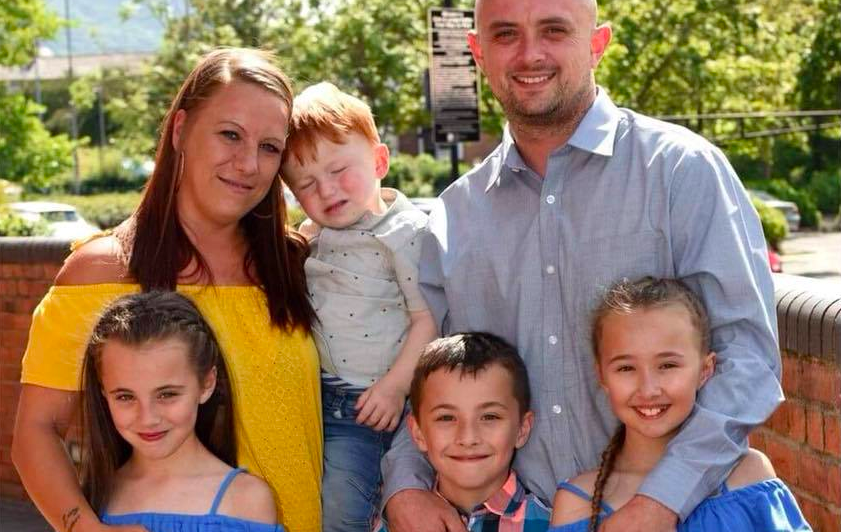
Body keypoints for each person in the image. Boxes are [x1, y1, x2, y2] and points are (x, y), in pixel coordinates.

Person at [382, 1, 782, 531]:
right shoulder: (455, 217)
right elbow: (424, 379)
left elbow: (747, 359)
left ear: (597, 43)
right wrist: (405, 486)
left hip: (684, 512)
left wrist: (659, 502)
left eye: (554, 30)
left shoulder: (681, 172)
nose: (530, 54)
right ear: (478, 52)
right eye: (506, 35)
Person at [12, 48, 322, 532]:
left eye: (269, 147)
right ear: (180, 131)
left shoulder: (296, 265)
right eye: (230, 135)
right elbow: (35, 431)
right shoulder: (100, 272)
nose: (248, 163)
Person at [280, 82, 437, 532]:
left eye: (339, 170)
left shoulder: (404, 233)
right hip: (329, 403)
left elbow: (427, 318)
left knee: (372, 512)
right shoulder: (309, 238)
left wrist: (394, 387)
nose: (326, 190)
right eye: (306, 184)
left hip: (387, 400)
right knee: (330, 509)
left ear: (380, 161)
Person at [549, 277, 810, 532]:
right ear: (602, 377)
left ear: (705, 370)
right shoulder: (576, 502)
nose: (648, 389)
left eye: (668, 365)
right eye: (626, 368)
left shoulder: (746, 476)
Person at [80, 291, 282, 531]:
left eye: (167, 394)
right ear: (103, 392)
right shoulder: (92, 498)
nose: (148, 418)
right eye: (125, 396)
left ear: (207, 384)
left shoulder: (247, 500)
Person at [376, 333, 549, 532]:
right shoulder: (397, 525)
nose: (468, 438)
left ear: (522, 429)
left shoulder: (554, 525)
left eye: (489, 417)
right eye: (446, 418)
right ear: (418, 433)